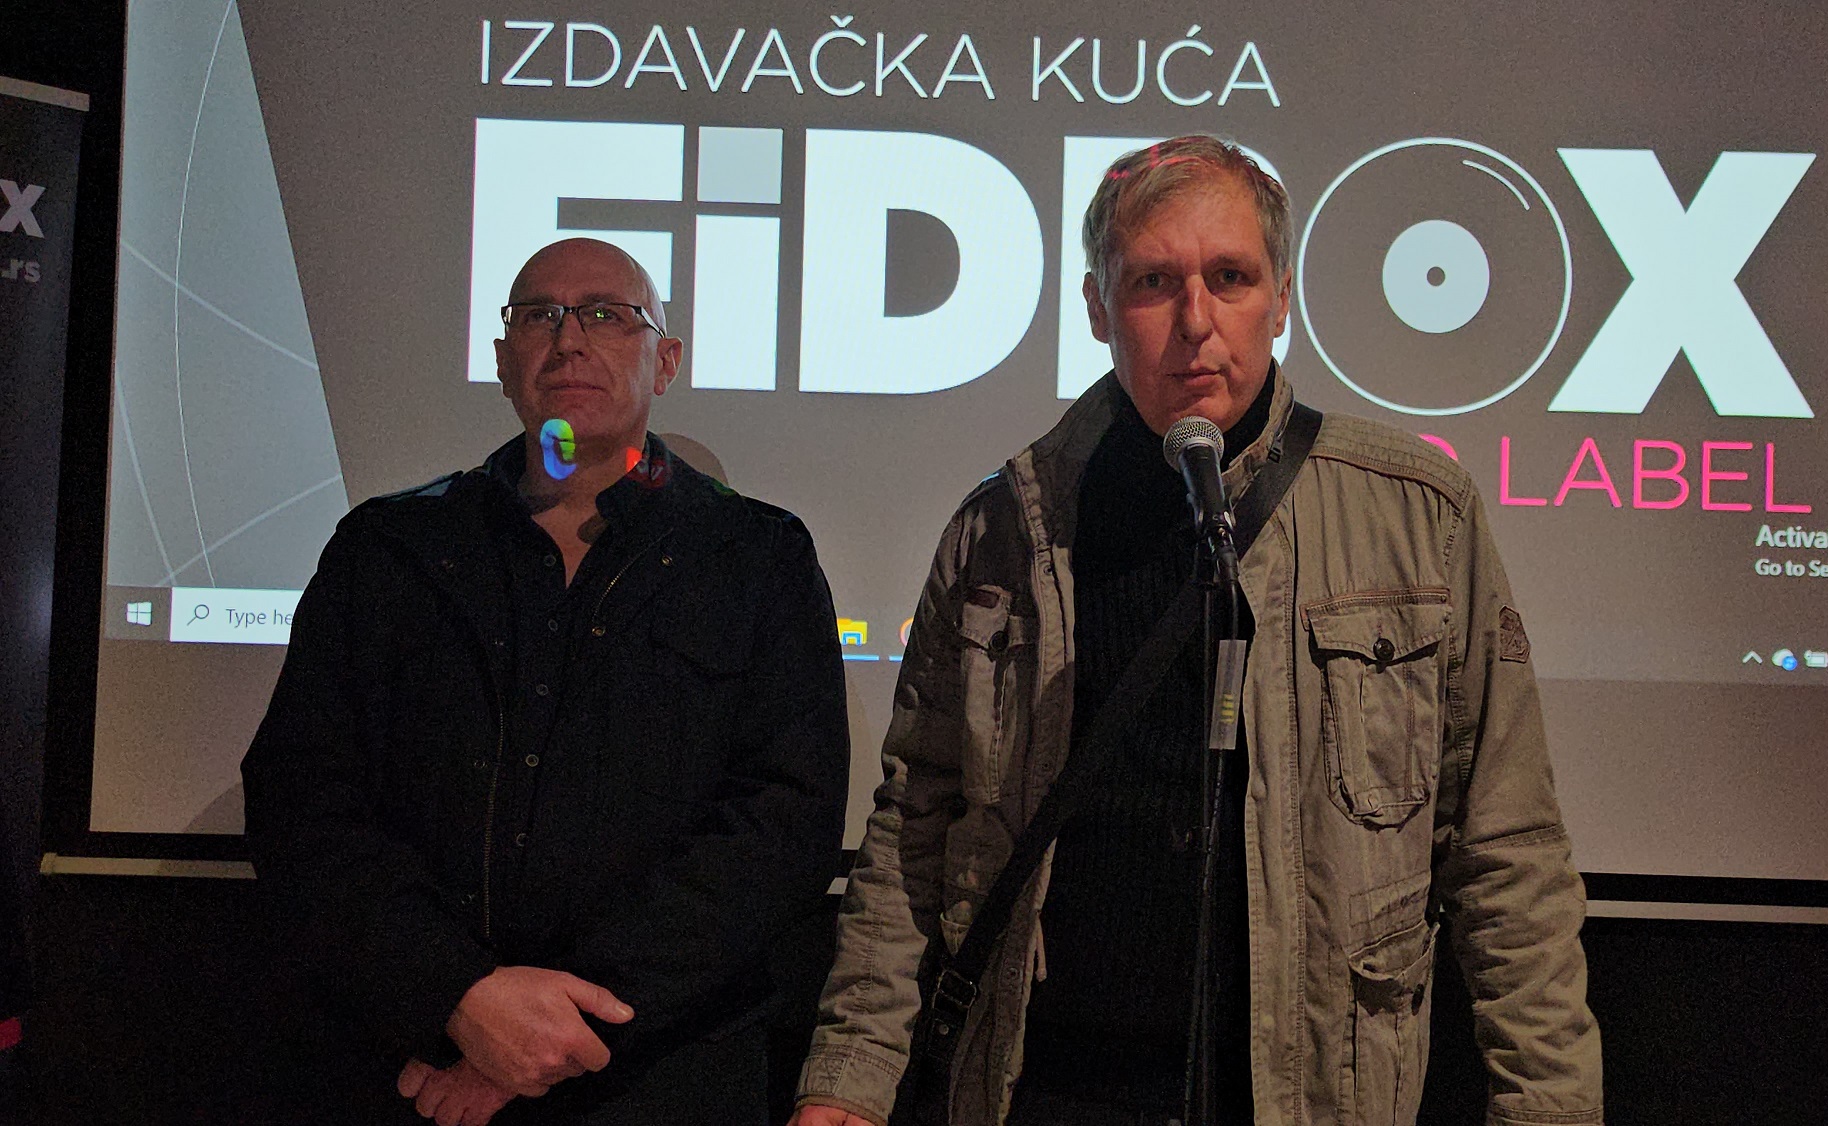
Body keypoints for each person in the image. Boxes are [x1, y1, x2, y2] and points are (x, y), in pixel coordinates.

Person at [791, 136, 1602, 1126]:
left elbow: (1506, 849)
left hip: (1308, 1094)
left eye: (1230, 278)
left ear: (1281, 298)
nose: (1195, 321)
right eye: (1152, 282)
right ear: (1097, 307)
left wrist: (1549, 1106)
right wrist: (849, 1074)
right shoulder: (1003, 529)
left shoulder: (1416, 516)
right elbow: (913, 829)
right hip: (1046, 1088)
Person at [242, 237, 849, 1125]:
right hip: (411, 1067)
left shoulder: (759, 558)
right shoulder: (388, 551)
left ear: (666, 361)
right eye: (539, 315)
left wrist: (551, 1031)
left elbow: (783, 824)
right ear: (503, 360)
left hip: (662, 1077)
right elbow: (302, 794)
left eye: (607, 314)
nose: (569, 339)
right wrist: (457, 997)